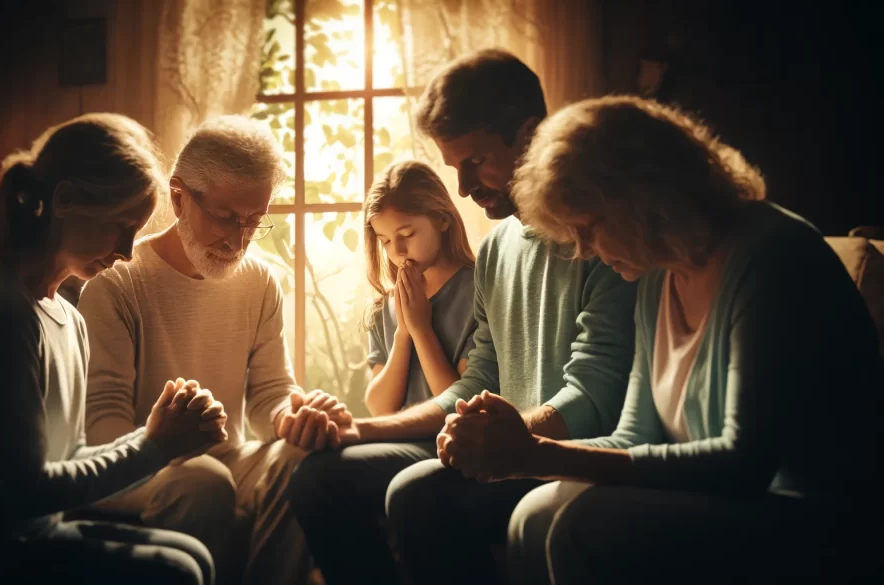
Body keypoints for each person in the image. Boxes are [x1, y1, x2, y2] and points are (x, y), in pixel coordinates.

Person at [437, 95, 883, 584]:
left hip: (814, 514)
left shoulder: (773, 256)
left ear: (645, 196)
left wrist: (536, 453)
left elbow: (743, 463)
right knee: (532, 515)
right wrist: (522, 450)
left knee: (582, 527)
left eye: (590, 227)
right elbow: (633, 437)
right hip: (731, 500)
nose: (582, 250)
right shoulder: (655, 275)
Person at [288, 49, 637, 585]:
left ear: (528, 134)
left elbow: (596, 395)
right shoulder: (497, 248)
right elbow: (474, 384)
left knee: (418, 496)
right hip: (504, 451)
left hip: (565, 454)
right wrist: (358, 429)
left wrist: (509, 442)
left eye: (475, 162)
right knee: (319, 477)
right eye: (455, 168)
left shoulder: (604, 240)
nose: (466, 186)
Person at [0, 113, 227, 585]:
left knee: (194, 556)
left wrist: (161, 439)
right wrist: (153, 447)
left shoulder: (70, 319)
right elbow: (27, 490)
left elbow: (70, 455)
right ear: (63, 200)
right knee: (178, 571)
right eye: (121, 225)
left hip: (22, 535)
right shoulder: (2, 313)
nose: (127, 250)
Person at [78, 115, 343, 585]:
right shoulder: (117, 283)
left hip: (225, 461)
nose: (240, 240)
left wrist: (293, 417)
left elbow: (270, 395)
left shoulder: (260, 282)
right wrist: (166, 443)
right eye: (226, 217)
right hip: (137, 466)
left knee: (307, 461)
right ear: (179, 197)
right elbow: (104, 430)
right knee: (204, 481)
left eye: (254, 221)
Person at [362, 159, 477, 416]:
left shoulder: (477, 293)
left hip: (453, 438)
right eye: (386, 241)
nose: (398, 251)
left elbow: (461, 407)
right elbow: (380, 409)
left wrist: (420, 328)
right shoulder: (384, 307)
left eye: (407, 235)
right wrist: (403, 333)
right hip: (398, 439)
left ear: (441, 220)